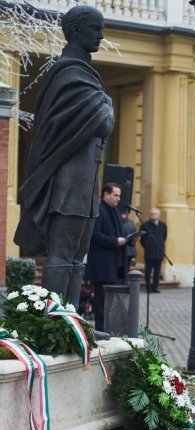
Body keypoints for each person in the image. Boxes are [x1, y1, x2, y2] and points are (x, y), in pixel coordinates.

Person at [13, 5, 114, 307]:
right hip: (69, 182)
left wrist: (104, 104)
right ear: (74, 30)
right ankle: (55, 323)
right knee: (61, 256)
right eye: (95, 27)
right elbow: (104, 120)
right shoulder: (69, 73)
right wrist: (106, 104)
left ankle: (72, 320)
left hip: (86, 181)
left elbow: (102, 118)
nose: (101, 34)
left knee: (77, 258)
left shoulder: (84, 74)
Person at [85, 183, 128, 332]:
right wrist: (115, 241)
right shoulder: (99, 210)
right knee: (101, 303)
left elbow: (118, 232)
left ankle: (110, 330)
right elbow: (95, 235)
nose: (118, 199)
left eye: (119, 195)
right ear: (106, 194)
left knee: (111, 304)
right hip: (101, 266)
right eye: (115, 195)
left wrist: (129, 239)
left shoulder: (115, 211)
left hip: (114, 265)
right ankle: (101, 331)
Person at [140, 208, 168, 294]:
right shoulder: (145, 225)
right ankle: (148, 288)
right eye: (152, 213)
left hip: (159, 253)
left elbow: (164, 237)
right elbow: (142, 239)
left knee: (157, 272)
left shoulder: (163, 225)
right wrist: (147, 246)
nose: (153, 215)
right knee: (148, 272)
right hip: (149, 253)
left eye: (155, 213)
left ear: (159, 215)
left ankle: (155, 287)